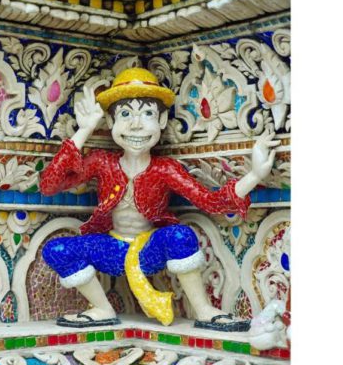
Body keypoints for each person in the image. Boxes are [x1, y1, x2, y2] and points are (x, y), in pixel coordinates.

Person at [40, 68, 279, 331]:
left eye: (147, 114)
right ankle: (102, 308)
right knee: (56, 250)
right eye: (125, 115)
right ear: (110, 121)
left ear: (163, 120)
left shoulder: (164, 169)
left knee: (180, 236)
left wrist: (255, 175)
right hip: (110, 249)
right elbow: (49, 185)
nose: (136, 125)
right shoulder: (101, 162)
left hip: (149, 251)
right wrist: (84, 131)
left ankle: (204, 310)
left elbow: (212, 202)